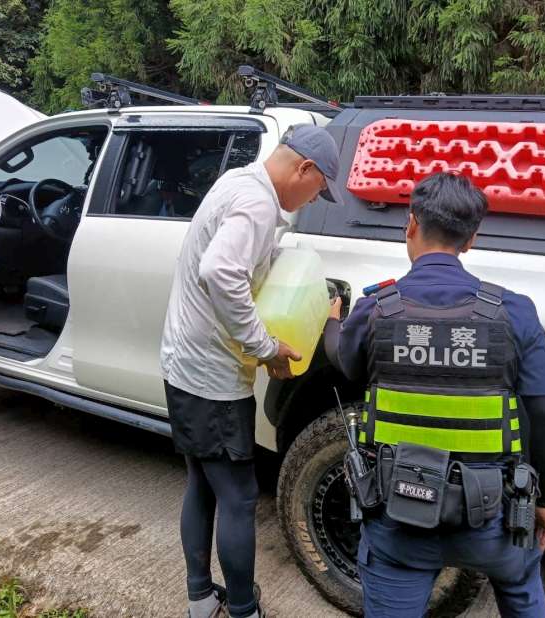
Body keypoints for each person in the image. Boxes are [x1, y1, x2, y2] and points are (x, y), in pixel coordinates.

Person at [325, 172, 545, 618]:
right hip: (495, 522)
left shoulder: (377, 307)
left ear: (410, 224)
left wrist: (333, 321)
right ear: (471, 239)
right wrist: (543, 502)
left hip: (399, 524)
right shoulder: (513, 311)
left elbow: (347, 363)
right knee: (521, 586)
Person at [160, 125, 341, 618]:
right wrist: (265, 347)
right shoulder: (258, 204)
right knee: (238, 498)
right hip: (211, 378)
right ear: (303, 168)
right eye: (318, 187)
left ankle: (200, 599)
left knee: (202, 483)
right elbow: (220, 271)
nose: (314, 197)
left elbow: (242, 261)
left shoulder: (240, 181)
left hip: (185, 364)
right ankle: (242, 609)